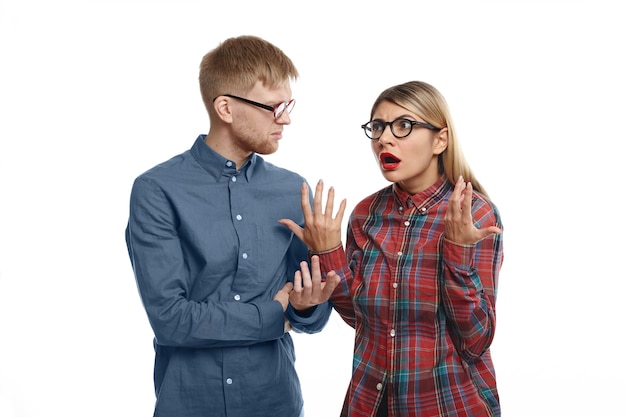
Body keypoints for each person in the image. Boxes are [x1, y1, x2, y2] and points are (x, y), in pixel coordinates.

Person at [125, 35, 338, 417]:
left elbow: (311, 314)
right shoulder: (156, 190)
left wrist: (306, 308)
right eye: (274, 107)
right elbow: (171, 320)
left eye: (288, 105)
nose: (286, 118)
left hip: (277, 404)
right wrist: (273, 315)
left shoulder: (293, 189)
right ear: (225, 107)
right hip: (189, 405)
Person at [280, 81, 504, 417]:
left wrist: (457, 251)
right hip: (370, 404)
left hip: (447, 405)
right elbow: (363, 319)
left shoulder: (473, 214)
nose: (384, 138)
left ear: (440, 140)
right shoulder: (365, 215)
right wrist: (329, 252)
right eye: (378, 127)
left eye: (403, 126)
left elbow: (477, 340)